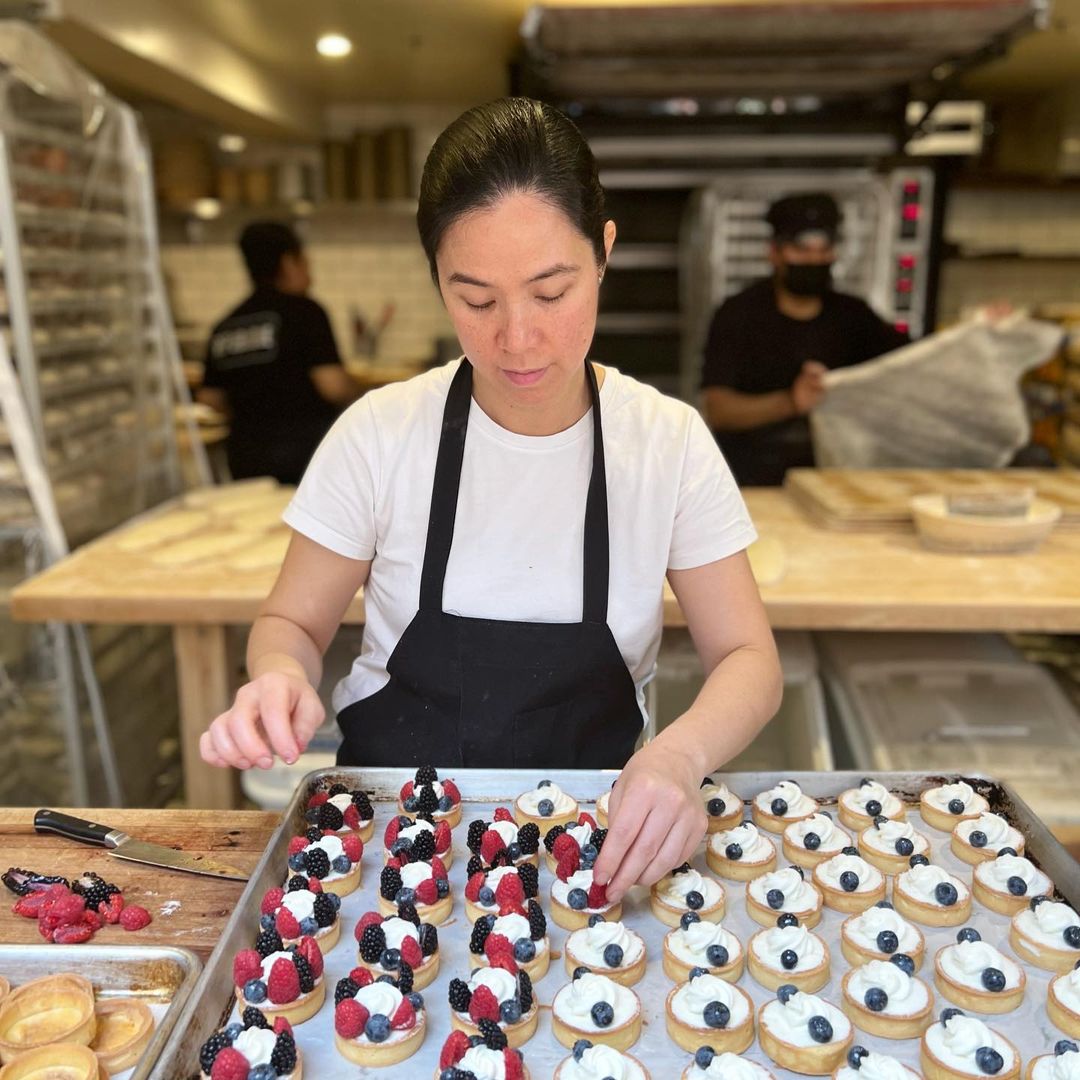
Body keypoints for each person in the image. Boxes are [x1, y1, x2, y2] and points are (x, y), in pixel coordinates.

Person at [200, 99, 782, 902]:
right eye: (476, 299)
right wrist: (276, 676)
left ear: (603, 252)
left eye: (551, 292)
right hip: (386, 853)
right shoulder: (380, 434)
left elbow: (750, 660)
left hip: (597, 852)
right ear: (437, 277)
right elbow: (293, 625)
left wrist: (678, 758)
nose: (517, 337)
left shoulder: (667, 443)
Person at [700, 193, 911, 487]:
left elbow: (915, 363)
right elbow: (719, 410)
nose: (814, 259)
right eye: (801, 249)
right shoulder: (738, 314)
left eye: (823, 250)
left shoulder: (854, 316)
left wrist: (984, 328)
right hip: (752, 482)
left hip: (837, 480)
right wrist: (791, 401)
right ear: (774, 253)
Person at [197, 221, 360, 485]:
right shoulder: (305, 312)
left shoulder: (225, 326)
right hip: (306, 460)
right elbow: (333, 386)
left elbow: (209, 400)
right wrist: (365, 396)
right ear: (288, 263)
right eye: (305, 262)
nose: (310, 272)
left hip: (244, 462)